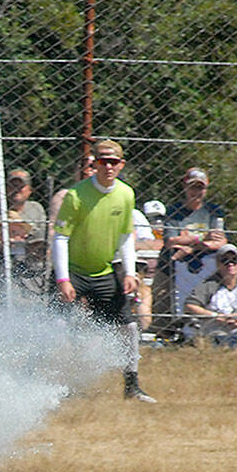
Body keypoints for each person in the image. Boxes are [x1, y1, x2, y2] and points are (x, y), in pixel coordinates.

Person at [52, 139, 155, 403]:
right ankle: (54, 384)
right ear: (94, 164)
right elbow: (61, 238)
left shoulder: (126, 194)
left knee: (128, 328)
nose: (108, 166)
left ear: (121, 165)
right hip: (74, 272)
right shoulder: (76, 196)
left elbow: (124, 237)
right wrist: (63, 279)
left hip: (103, 272)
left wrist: (130, 273)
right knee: (57, 326)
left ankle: (131, 385)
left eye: (113, 161)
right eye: (102, 161)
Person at [152, 167, 228, 334]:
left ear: (206, 188)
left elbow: (221, 242)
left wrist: (189, 244)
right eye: (193, 187)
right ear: (185, 187)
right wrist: (203, 238)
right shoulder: (174, 212)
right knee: (162, 307)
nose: (196, 192)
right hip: (171, 267)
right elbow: (171, 241)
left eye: (200, 187)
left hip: (205, 270)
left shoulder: (213, 212)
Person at [183, 243, 237, 343]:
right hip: (215, 333)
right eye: (225, 260)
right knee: (220, 337)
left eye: (234, 260)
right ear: (218, 264)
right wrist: (217, 317)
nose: (230, 264)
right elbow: (189, 306)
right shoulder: (210, 284)